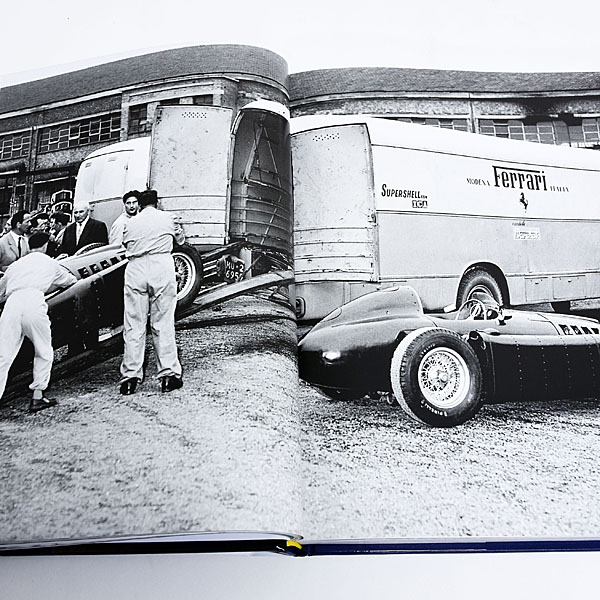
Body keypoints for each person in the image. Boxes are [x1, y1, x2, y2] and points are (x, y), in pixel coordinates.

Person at [0, 231, 77, 412]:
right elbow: (70, 281)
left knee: (3, 353)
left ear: (29, 246)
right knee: (43, 349)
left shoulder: (15, 265)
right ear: (45, 246)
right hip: (34, 301)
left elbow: (1, 291)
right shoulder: (50, 263)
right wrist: (50, 284)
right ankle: (37, 396)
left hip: (13, 303)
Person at [119, 189, 185, 395]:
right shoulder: (168, 218)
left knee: (133, 324)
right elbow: (181, 240)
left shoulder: (129, 222)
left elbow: (124, 243)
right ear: (157, 202)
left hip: (135, 267)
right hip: (161, 264)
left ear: (139, 204)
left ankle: (129, 378)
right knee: (162, 321)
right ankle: (168, 375)